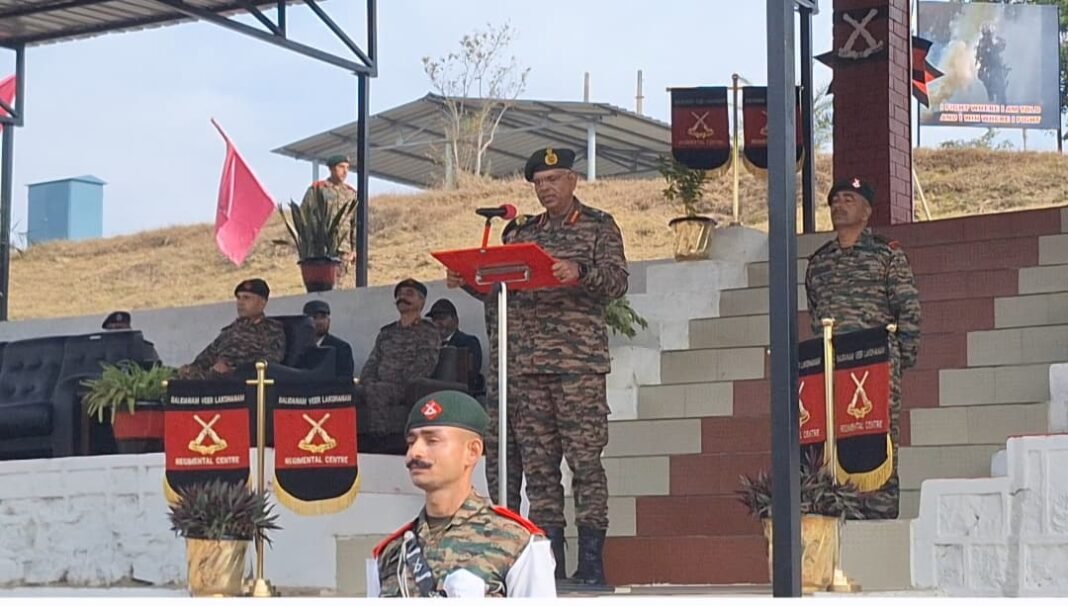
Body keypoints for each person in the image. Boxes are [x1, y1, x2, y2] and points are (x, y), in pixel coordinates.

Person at [446, 147, 629, 586]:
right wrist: (469, 280)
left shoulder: (598, 227)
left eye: (554, 180)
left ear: (573, 181)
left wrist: (579, 271)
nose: (546, 189)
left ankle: (590, 564)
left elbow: (617, 282)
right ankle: (549, 567)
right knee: (541, 471)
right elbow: (501, 289)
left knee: (585, 464)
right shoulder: (520, 233)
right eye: (539, 183)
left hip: (577, 367)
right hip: (525, 368)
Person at [805, 177, 922, 519]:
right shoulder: (818, 262)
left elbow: (909, 309)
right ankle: (835, 511)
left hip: (876, 366)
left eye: (849, 199)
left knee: (876, 440)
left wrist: (899, 359)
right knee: (829, 438)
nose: (839, 205)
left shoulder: (887, 255)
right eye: (835, 200)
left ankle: (879, 515)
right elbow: (816, 314)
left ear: (867, 211)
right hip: (830, 367)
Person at [367, 390, 556, 598]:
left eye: (432, 441)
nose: (415, 453)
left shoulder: (517, 543)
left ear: (472, 452)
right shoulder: (391, 552)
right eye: (411, 442)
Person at [358, 279, 441, 449]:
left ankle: (379, 443)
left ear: (422, 301)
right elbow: (373, 361)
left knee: (379, 391)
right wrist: (366, 380)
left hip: (405, 387)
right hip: (379, 385)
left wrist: (396, 381)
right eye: (399, 295)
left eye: (409, 294)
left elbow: (425, 363)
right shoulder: (387, 332)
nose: (402, 298)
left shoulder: (428, 331)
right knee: (349, 392)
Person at [177, 279, 286, 380]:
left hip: (243, 382)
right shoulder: (230, 331)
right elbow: (203, 360)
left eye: (246, 298)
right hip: (214, 381)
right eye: (238, 298)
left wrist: (232, 370)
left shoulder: (272, 330)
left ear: (262, 302)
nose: (240, 303)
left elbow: (271, 363)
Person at [302, 154, 358, 269]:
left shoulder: (350, 193)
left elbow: (355, 223)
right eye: (341, 167)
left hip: (343, 250)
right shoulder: (318, 189)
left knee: (343, 285)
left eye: (347, 168)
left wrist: (354, 249)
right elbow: (304, 217)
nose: (345, 171)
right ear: (331, 168)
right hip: (321, 250)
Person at [426, 298, 485, 396]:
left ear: (455, 320)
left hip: (460, 396)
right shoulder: (427, 345)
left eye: (442, 318)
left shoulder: (468, 342)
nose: (437, 323)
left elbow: (472, 374)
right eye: (434, 319)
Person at [302, 300, 355, 379]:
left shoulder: (341, 348)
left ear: (329, 321)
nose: (319, 322)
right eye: (314, 317)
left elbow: (344, 380)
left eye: (323, 317)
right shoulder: (297, 348)